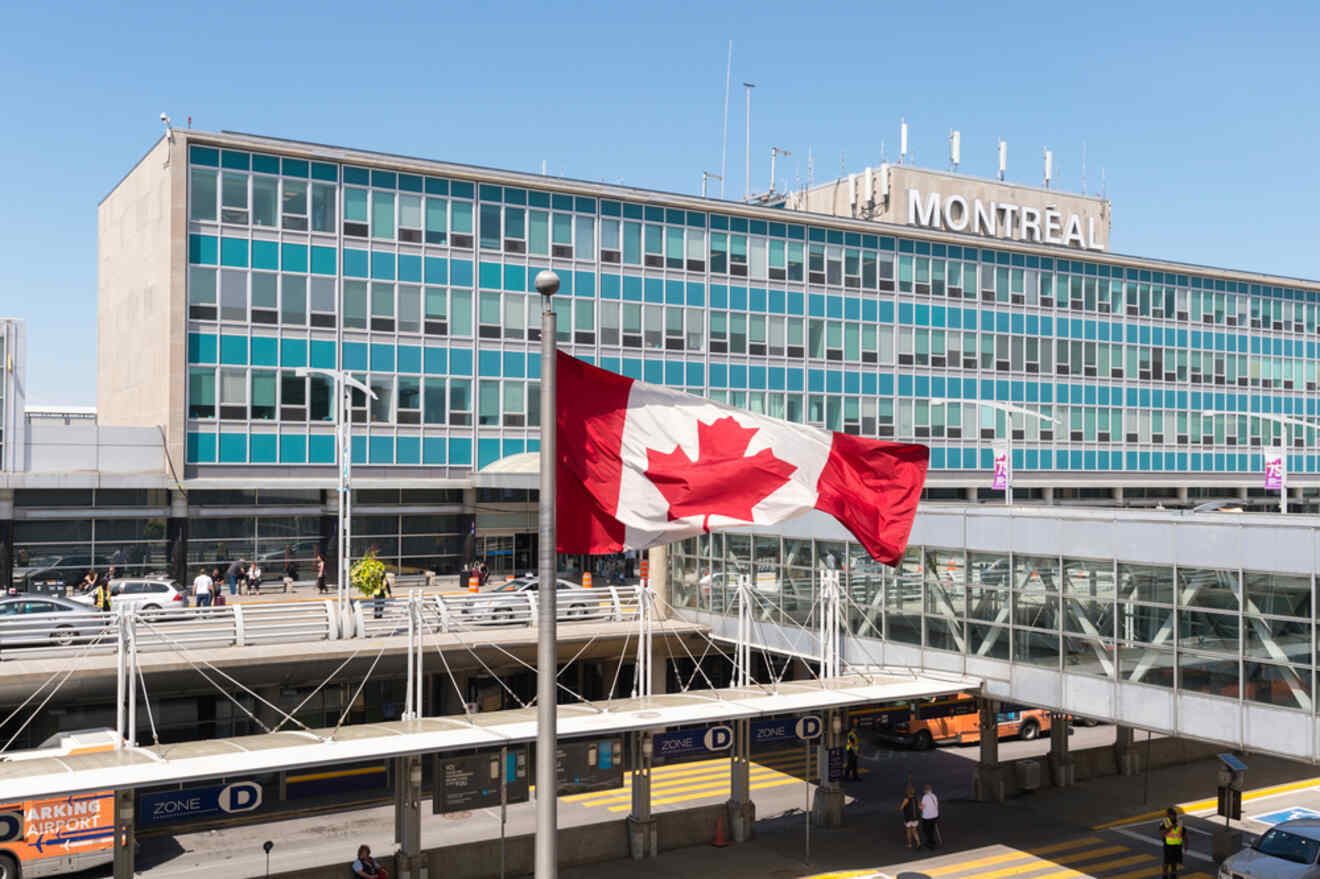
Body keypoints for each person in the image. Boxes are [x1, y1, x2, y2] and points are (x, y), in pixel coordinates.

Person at [1160, 807, 1184, 878]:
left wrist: (1185, 843)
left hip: (1177, 846)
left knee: (1174, 863)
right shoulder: (1164, 822)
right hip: (1168, 846)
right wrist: (1171, 827)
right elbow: (1163, 833)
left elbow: (1182, 833)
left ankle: (1173, 875)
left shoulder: (1179, 822)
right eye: (1172, 815)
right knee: (1166, 863)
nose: (1174, 816)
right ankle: (1165, 876)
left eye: (1174, 815)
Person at [900, 784, 921, 849]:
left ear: (907, 792)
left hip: (908, 818)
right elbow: (921, 807)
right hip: (915, 817)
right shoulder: (916, 799)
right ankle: (918, 843)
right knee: (914, 831)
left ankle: (910, 844)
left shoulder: (906, 799)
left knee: (908, 831)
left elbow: (901, 808)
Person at [920, 783, 940, 849]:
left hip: (927, 816)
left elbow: (922, 807)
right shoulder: (934, 796)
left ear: (925, 790)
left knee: (926, 830)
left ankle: (930, 843)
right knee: (932, 829)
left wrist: (919, 806)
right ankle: (932, 841)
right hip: (934, 816)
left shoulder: (925, 797)